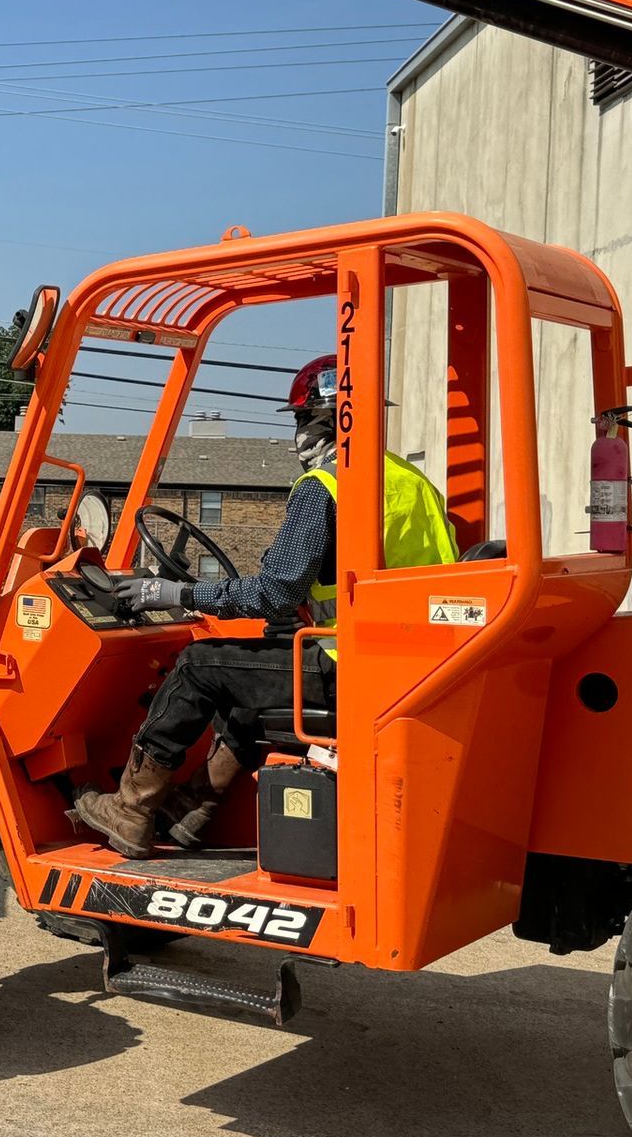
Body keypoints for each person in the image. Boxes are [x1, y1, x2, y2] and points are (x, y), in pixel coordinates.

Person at [72, 354, 457, 859]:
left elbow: (277, 591)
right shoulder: (410, 482)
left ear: (325, 420)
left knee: (197, 665)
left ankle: (133, 809)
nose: (297, 433)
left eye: (301, 419)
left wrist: (178, 594)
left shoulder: (326, 486)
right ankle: (192, 809)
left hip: (350, 667)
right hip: (412, 667)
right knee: (253, 666)